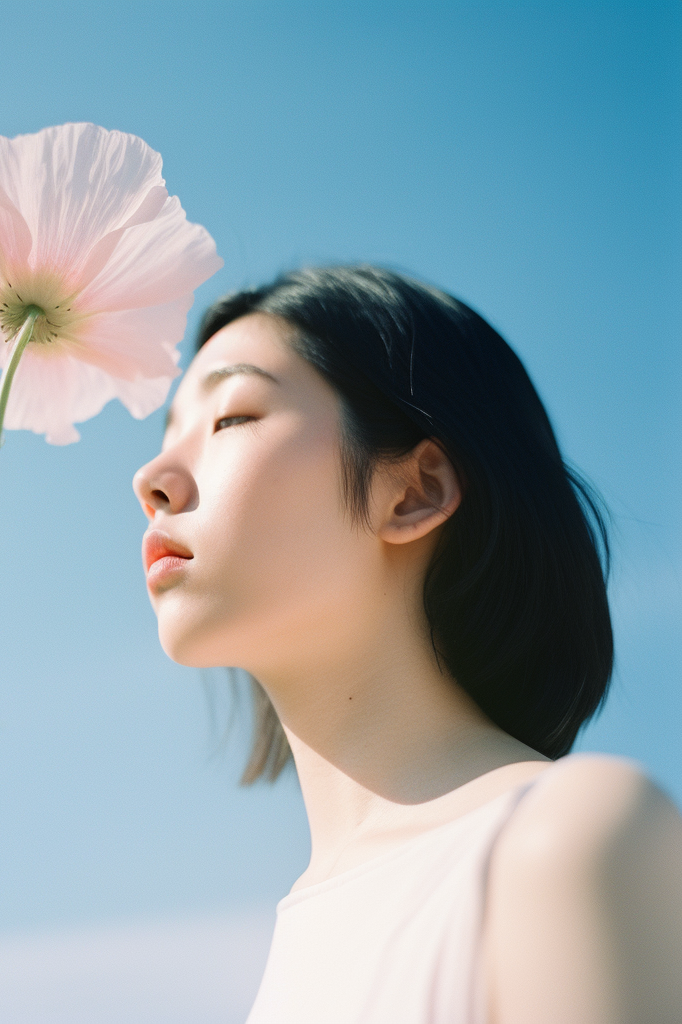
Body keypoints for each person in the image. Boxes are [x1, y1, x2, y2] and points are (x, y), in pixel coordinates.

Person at [132, 266, 682, 1023]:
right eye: (168, 435)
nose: (152, 478)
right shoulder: (293, 943)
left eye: (232, 417)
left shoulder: (567, 838)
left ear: (414, 491)